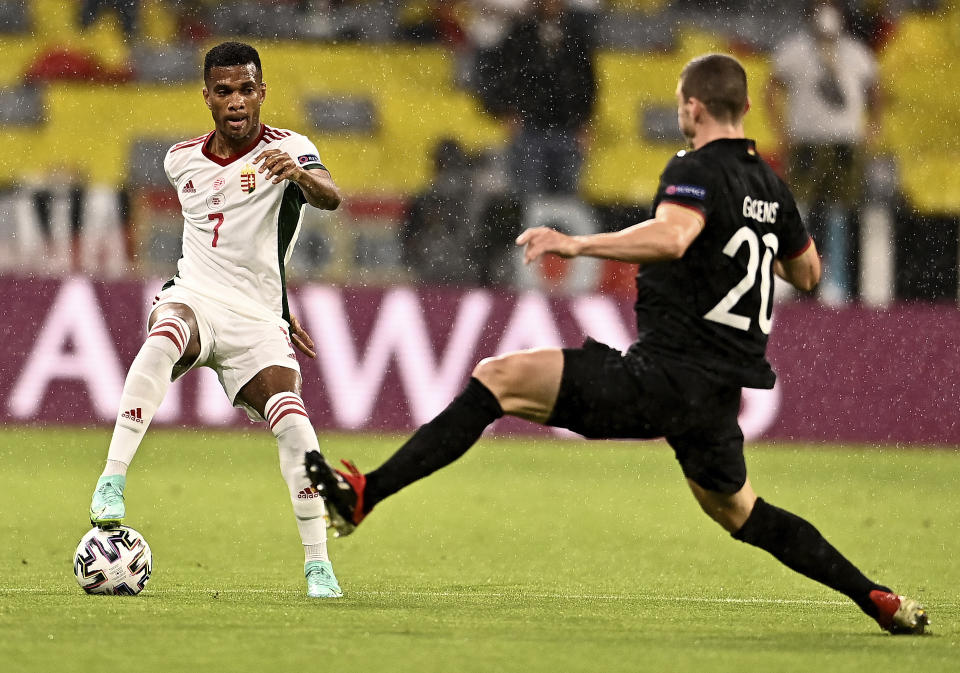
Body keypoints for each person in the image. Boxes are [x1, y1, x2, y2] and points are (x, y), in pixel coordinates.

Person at [306, 53, 929, 634]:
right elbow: (810, 274)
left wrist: (578, 243)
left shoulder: (694, 169)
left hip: (663, 376)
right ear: (745, 108)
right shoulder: (769, 184)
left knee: (497, 379)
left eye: (684, 106)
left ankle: (366, 496)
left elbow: (674, 236)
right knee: (740, 511)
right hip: (715, 394)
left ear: (693, 107)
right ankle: (875, 596)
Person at [88, 41, 345, 598]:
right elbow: (221, 244)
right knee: (164, 333)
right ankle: (112, 480)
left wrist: (299, 178)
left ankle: (318, 567)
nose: (236, 101)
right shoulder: (179, 160)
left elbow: (331, 196)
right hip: (199, 296)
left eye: (246, 89)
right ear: (206, 96)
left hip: (256, 322)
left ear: (262, 93)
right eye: (224, 91)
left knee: (295, 424)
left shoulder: (290, 148)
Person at [765, 0, 881, 304]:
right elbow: (770, 89)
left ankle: (835, 282)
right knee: (798, 212)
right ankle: (789, 276)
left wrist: (873, 129)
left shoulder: (856, 52)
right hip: (806, 141)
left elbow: (875, 91)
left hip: (845, 142)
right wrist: (781, 131)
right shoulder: (794, 50)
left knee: (838, 215)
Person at [477, 0, 597, 195]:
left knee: (565, 200)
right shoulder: (520, 34)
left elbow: (586, 81)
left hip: (566, 128)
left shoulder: (575, 35)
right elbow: (497, 75)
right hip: (531, 128)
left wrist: (584, 121)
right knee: (532, 198)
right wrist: (503, 110)